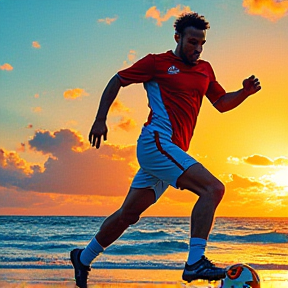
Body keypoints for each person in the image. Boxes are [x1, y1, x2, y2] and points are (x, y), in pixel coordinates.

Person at [70, 12, 261, 288]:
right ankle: (195, 261)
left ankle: (83, 258)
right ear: (178, 38)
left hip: (168, 152)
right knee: (213, 189)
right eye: (192, 42)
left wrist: (243, 93)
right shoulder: (157, 63)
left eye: (202, 43)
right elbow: (117, 80)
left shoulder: (205, 69)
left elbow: (220, 103)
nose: (197, 49)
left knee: (128, 214)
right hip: (156, 143)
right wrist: (100, 119)